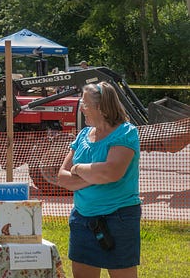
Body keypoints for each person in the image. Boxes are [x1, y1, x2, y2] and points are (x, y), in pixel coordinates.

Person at [52, 81, 141, 278]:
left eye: (85, 104)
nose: (81, 108)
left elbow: (110, 173)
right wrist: (95, 176)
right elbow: (62, 178)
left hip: (119, 218)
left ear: (100, 107)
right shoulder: (83, 135)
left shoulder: (126, 132)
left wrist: (78, 169)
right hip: (82, 219)